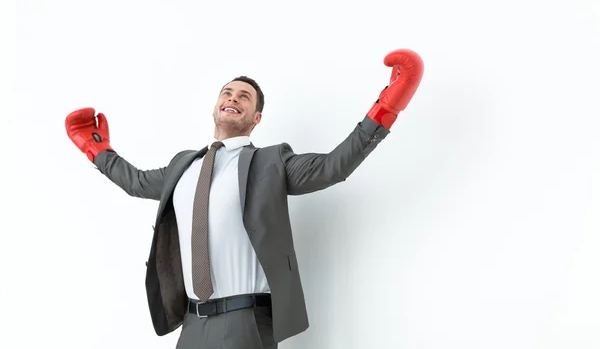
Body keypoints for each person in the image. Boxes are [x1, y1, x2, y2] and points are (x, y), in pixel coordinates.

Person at [65, 49, 424, 349]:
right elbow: (137, 182)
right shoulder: (183, 166)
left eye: (243, 96)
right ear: (215, 108)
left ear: (256, 117)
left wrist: (386, 108)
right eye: (226, 93)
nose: (232, 98)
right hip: (191, 324)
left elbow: (332, 167)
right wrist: (96, 148)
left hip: (246, 323)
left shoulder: (271, 162)